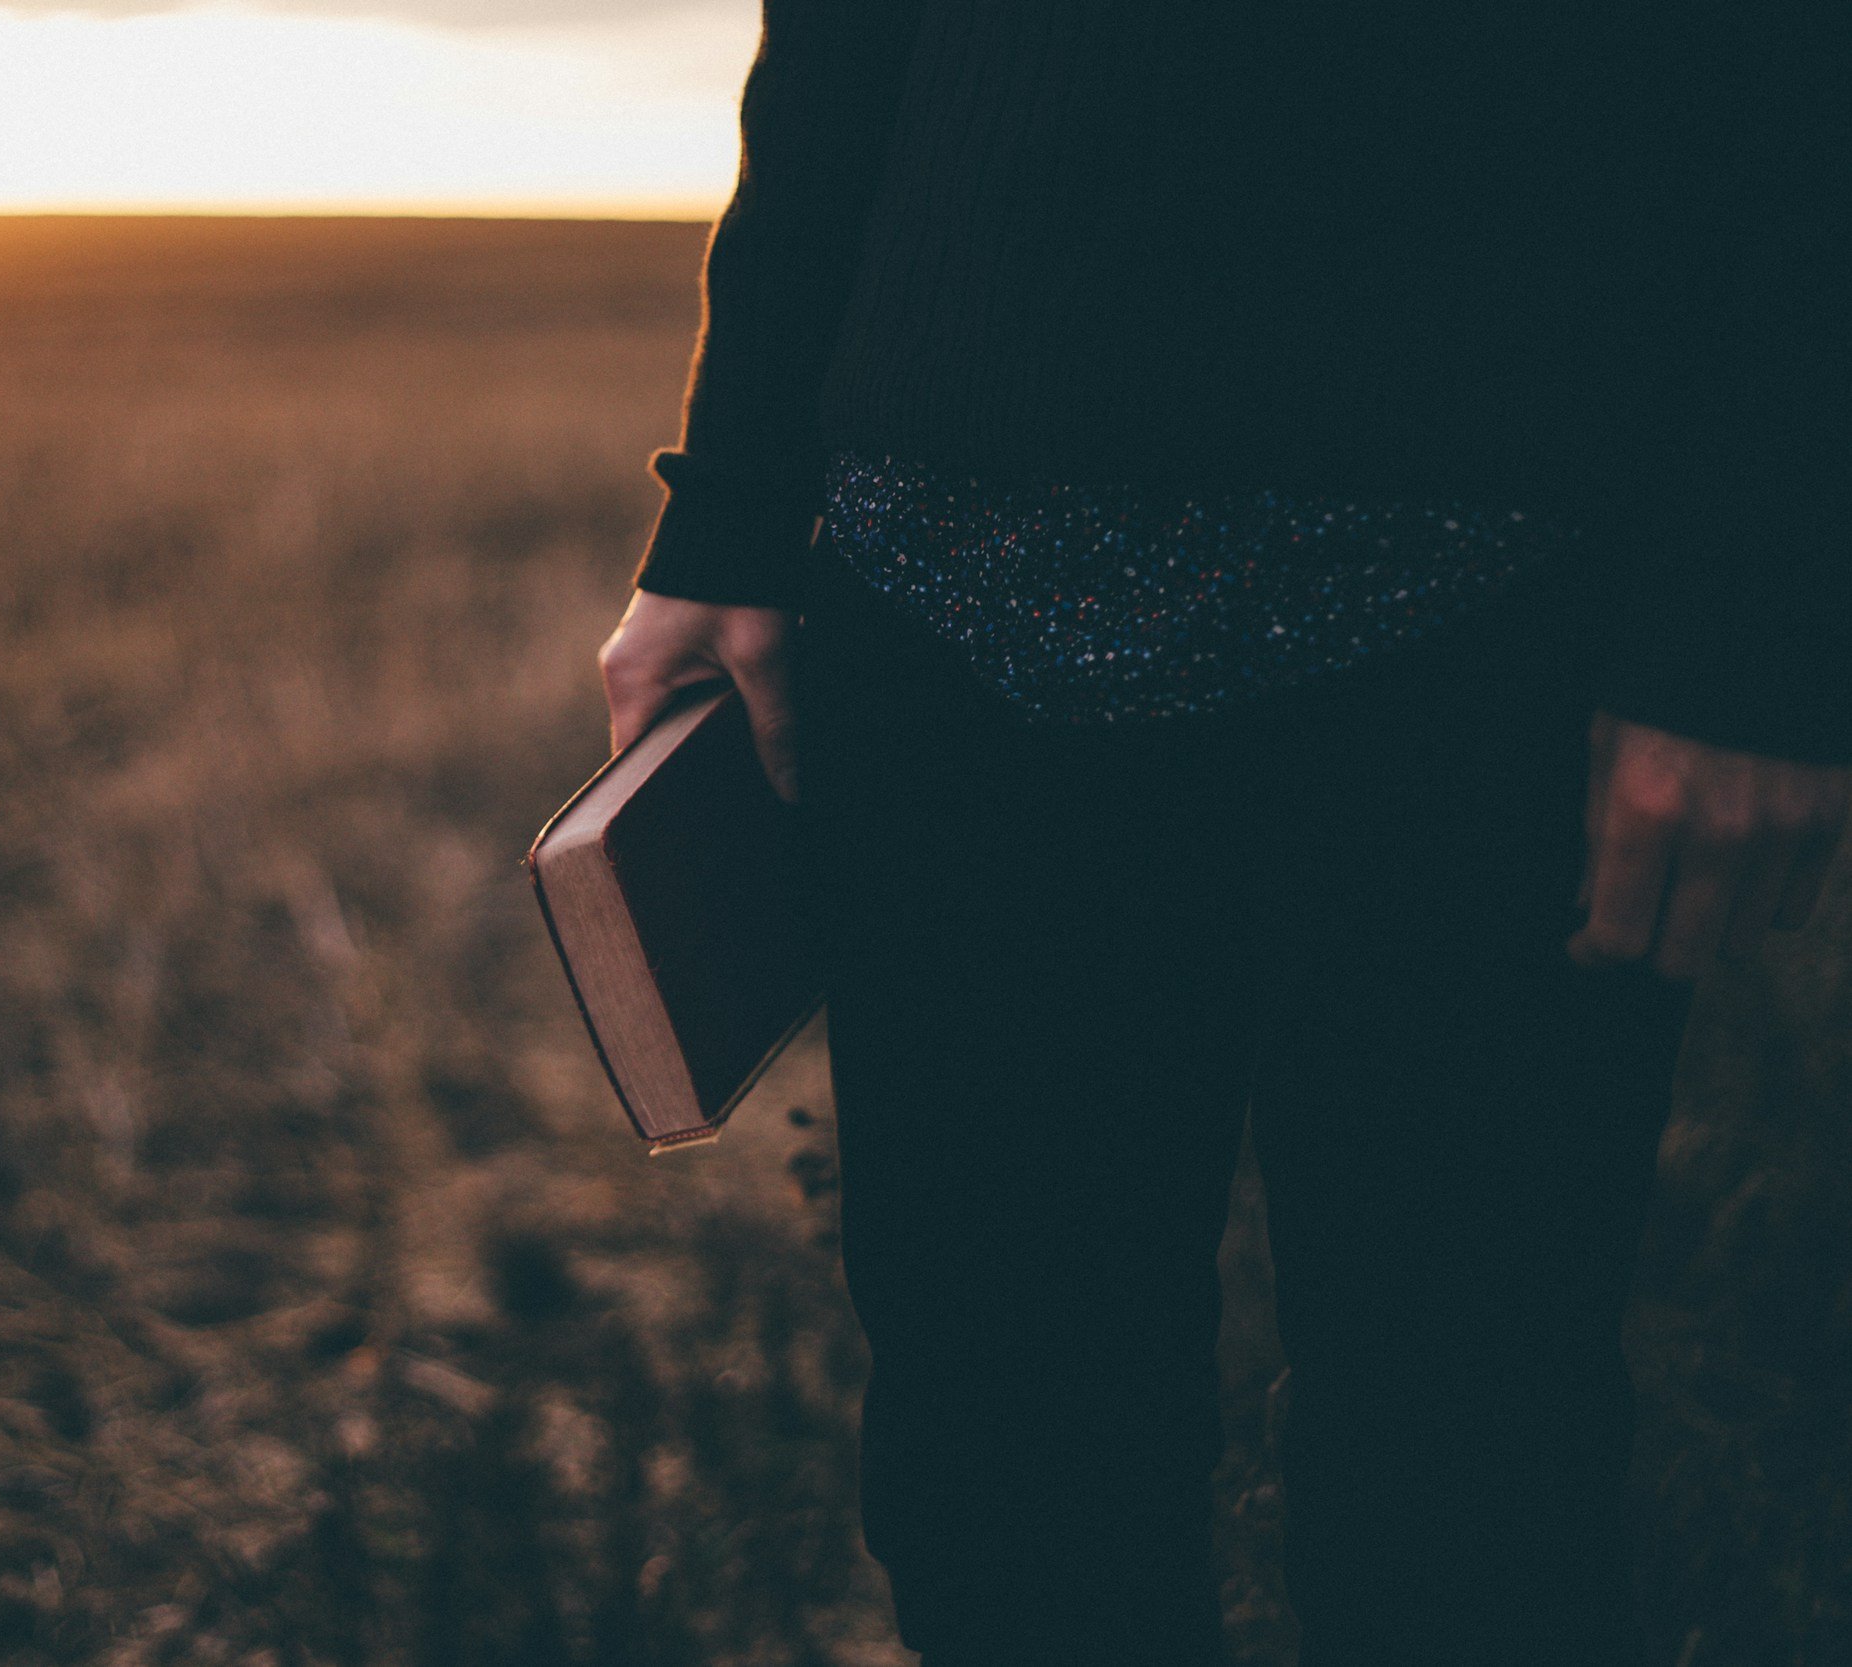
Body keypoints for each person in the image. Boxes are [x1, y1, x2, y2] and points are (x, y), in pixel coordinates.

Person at [596, 6, 1850, 1664]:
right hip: (939, 625)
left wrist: (1748, 622)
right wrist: (732, 508)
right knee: (999, 1481)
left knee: (1468, 1480)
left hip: (1489, 648)